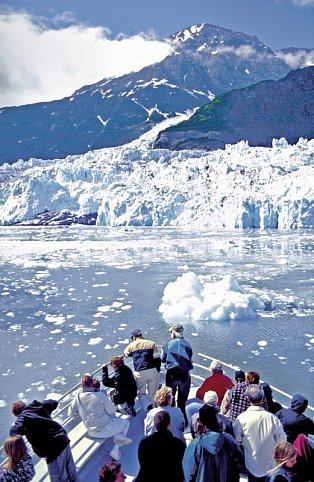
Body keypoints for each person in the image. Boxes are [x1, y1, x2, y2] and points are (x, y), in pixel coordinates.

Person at [9, 399, 78, 482]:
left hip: (53, 450)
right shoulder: (37, 406)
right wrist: (45, 414)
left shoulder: (22, 418)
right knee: (71, 469)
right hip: (63, 438)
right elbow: (54, 403)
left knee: (58, 478)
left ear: (16, 414)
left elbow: (13, 432)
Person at [68, 374, 132, 462]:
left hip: (91, 432)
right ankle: (115, 449)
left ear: (81, 385)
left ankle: (119, 438)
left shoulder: (77, 398)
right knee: (125, 423)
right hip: (105, 430)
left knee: (115, 424)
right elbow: (112, 412)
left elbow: (71, 415)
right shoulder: (100, 395)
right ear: (91, 383)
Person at [233, 384, 287, 482]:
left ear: (248, 399)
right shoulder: (273, 419)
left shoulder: (241, 419)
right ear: (262, 398)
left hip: (251, 466)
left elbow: (238, 439)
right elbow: (282, 441)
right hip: (270, 466)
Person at [183, 404, 245, 482]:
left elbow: (188, 473)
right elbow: (240, 465)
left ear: (201, 421)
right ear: (216, 419)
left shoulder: (195, 445)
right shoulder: (229, 439)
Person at [134, 411, 185, 482]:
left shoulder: (144, 443)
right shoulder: (178, 444)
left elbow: (143, 465)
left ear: (155, 425)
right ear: (169, 425)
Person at [161, 323, 193, 424]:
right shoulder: (188, 344)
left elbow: (163, 359)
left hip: (171, 375)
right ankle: (184, 422)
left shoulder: (167, 345)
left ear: (174, 333)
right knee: (182, 402)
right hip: (184, 375)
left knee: (170, 399)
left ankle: (170, 422)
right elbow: (191, 358)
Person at [124, 328, 161, 411]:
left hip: (140, 372)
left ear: (133, 337)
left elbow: (126, 354)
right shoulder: (152, 344)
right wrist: (157, 370)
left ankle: (148, 408)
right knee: (152, 394)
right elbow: (157, 358)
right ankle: (153, 410)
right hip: (152, 371)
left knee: (141, 393)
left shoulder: (131, 346)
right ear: (141, 335)